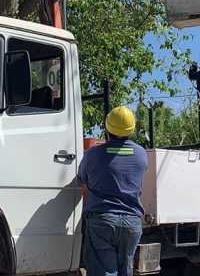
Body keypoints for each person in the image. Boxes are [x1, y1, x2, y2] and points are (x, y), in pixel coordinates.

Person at [78, 106, 148, 276]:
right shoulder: (141, 154)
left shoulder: (92, 155)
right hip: (132, 223)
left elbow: (81, 179)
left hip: (103, 222)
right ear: (131, 129)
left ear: (107, 128)